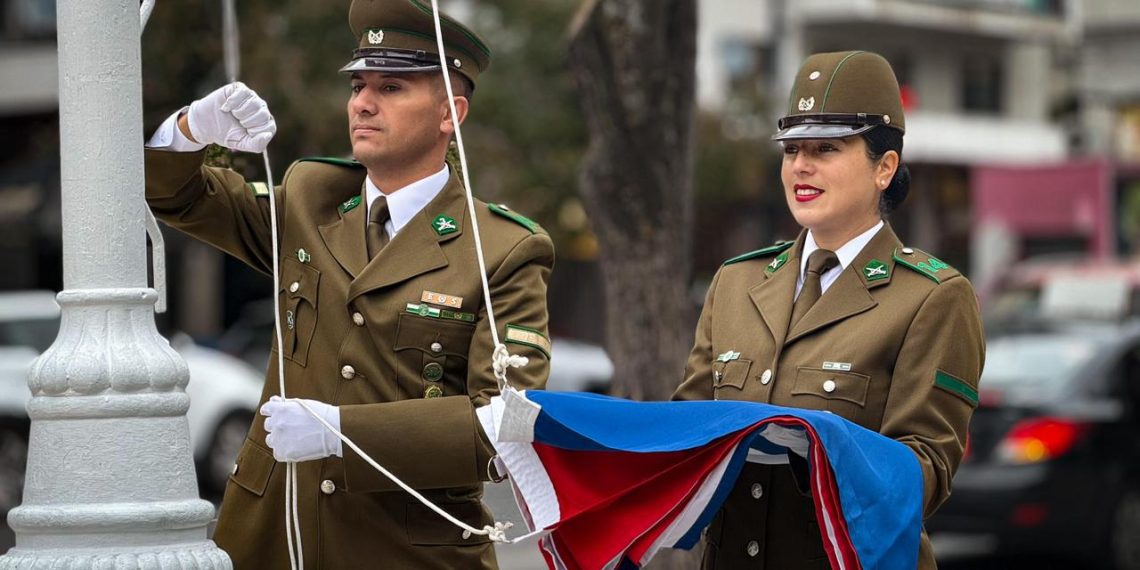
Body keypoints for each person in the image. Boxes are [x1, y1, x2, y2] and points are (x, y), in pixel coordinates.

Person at [143, 0, 555, 568]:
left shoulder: (503, 248)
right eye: (359, 84)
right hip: (269, 537)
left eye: (391, 87)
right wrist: (191, 130)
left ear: (450, 115)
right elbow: (173, 194)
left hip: (404, 550)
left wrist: (344, 433)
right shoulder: (311, 195)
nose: (362, 102)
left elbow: (508, 426)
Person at [673, 50, 985, 569]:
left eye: (826, 148)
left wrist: (814, 451)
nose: (801, 165)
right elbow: (689, 427)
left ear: (884, 167)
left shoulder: (933, 297)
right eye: (792, 148)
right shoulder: (736, 282)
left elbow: (926, 471)